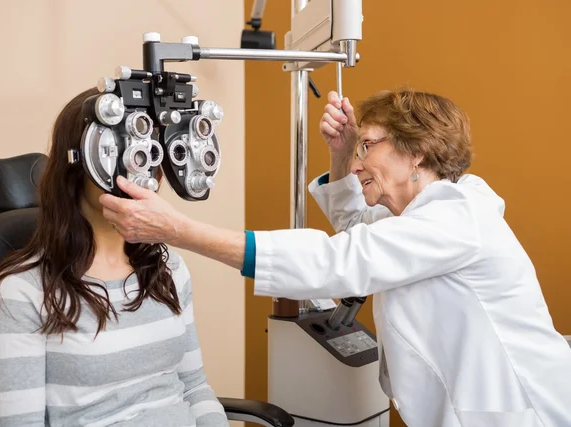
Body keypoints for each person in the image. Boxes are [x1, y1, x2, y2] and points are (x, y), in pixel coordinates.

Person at [100, 89, 571, 427]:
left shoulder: (458, 219)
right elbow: (361, 235)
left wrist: (177, 229)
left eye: (370, 145)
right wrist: (343, 155)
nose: (361, 159)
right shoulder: (425, 218)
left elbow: (339, 259)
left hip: (523, 412)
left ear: (418, 154)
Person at [0, 88, 229, 427]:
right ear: (78, 165)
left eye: (147, 152)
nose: (139, 169)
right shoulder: (22, 293)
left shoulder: (168, 270)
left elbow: (194, 388)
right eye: (120, 149)